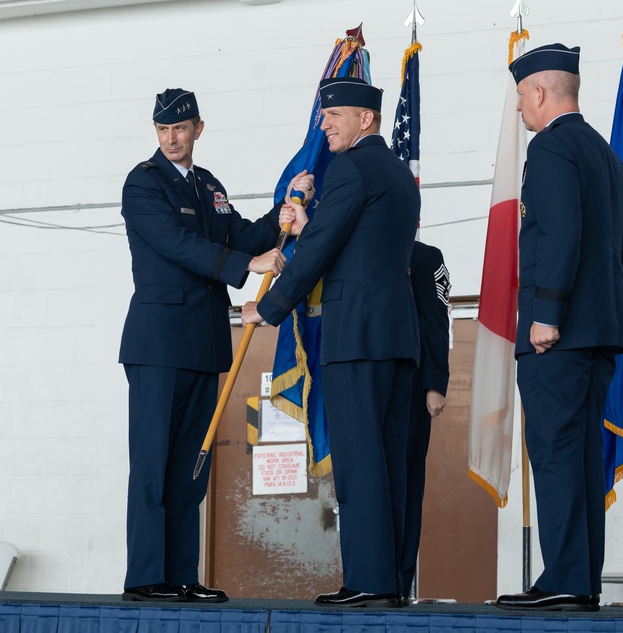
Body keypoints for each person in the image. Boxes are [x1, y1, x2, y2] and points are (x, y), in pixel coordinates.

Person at [119, 88, 306, 602]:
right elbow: (178, 245)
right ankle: (146, 578)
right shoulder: (143, 184)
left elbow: (239, 234)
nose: (171, 138)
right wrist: (248, 265)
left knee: (191, 467)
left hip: (202, 344)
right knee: (154, 465)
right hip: (158, 346)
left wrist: (280, 216)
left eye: (180, 129)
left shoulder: (208, 186)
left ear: (198, 129)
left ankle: (181, 575)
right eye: (163, 130)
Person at [241, 77, 420, 608]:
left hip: (357, 337)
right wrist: (313, 215)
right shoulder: (394, 172)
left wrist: (269, 308)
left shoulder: (351, 168)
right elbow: (354, 243)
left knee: (361, 462)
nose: (324, 124)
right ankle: (388, 581)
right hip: (394, 337)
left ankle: (366, 580)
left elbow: (321, 250)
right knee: (389, 463)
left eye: (334, 114)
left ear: (366, 119)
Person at [494, 44, 623, 612]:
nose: (521, 110)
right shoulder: (603, 151)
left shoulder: (550, 147)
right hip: (599, 330)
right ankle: (580, 580)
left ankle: (565, 579)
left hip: (559, 332)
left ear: (539, 93)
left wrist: (547, 314)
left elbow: (558, 233)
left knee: (555, 453)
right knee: (579, 459)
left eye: (522, 98)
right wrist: (602, 308)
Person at [400, 239, 450, 601]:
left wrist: (435, 383)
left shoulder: (424, 256)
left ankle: (399, 582)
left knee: (405, 486)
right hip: (368, 390)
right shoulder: (358, 250)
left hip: (413, 388)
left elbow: (435, 320)